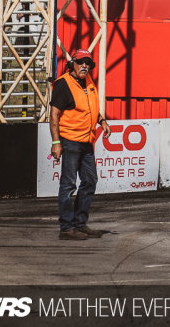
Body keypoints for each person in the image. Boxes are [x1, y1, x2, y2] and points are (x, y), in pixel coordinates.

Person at [49, 49, 111, 240]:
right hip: (70, 141)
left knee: (90, 181)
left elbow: (91, 109)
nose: (85, 65)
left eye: (88, 63)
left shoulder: (89, 82)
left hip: (87, 142)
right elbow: (54, 115)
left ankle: (80, 223)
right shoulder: (63, 84)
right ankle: (66, 228)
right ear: (72, 64)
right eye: (81, 62)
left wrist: (102, 121)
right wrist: (56, 143)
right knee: (68, 185)